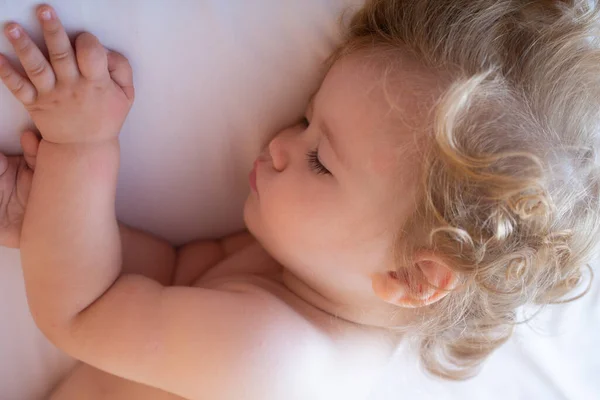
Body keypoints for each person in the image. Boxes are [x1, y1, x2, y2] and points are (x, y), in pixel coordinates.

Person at [1, 1, 599, 399]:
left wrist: (79, 146)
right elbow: (169, 275)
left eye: (319, 160)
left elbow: (82, 313)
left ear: (414, 273)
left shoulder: (273, 356)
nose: (281, 144)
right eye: (308, 118)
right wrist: (52, 218)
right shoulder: (318, 280)